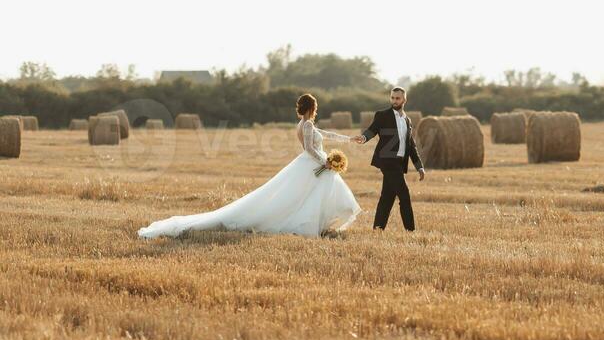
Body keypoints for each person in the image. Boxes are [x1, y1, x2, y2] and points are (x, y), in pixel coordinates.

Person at [138, 93, 360, 240]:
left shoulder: (303, 123)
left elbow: (325, 135)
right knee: (305, 196)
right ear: (313, 107)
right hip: (312, 163)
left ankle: (314, 225)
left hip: (310, 165)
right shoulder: (308, 124)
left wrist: (347, 139)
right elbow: (311, 149)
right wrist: (325, 162)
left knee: (304, 196)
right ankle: (305, 225)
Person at [355, 86, 426, 232]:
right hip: (387, 161)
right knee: (404, 196)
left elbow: (411, 145)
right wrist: (364, 137)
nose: (394, 100)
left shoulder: (407, 120)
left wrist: (419, 166)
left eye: (397, 98)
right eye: (392, 98)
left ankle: (378, 229)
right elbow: (372, 130)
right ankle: (411, 231)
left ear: (404, 99)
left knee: (387, 198)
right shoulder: (383, 115)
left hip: (399, 163)